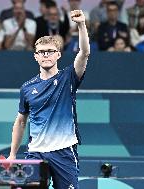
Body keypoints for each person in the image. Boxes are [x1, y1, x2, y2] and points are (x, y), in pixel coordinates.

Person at [7, 10, 90, 189]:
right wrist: (13, 154)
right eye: (41, 52)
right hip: (36, 152)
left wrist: (81, 25)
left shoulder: (68, 78)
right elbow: (21, 121)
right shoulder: (27, 88)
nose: (46, 55)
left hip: (64, 152)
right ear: (35, 56)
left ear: (58, 55)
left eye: (50, 51)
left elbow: (84, 53)